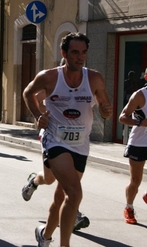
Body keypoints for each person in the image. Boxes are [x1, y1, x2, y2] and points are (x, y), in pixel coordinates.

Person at [23, 32, 113, 247]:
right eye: (74, 52)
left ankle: (44, 235)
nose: (80, 57)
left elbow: (105, 107)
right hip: (55, 140)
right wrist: (38, 116)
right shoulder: (50, 77)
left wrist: (106, 110)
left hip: (80, 144)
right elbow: (28, 93)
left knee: (61, 197)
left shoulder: (94, 78)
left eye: (83, 53)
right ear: (64, 53)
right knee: (74, 193)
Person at [22, 61, 90, 233]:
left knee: (67, 184)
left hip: (74, 142)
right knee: (49, 178)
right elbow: (35, 98)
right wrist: (47, 112)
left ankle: (73, 213)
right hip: (53, 136)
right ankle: (34, 181)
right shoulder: (53, 86)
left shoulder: (83, 87)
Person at [119, 85, 147, 224]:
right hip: (138, 144)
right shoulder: (139, 95)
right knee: (135, 180)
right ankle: (128, 207)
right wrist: (140, 122)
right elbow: (122, 117)